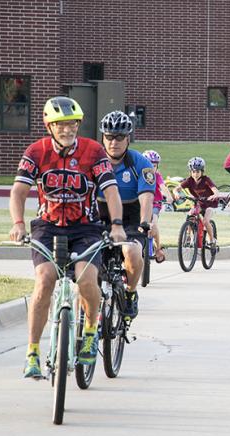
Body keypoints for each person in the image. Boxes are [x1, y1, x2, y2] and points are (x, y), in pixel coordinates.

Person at [10, 97, 126, 379]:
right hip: (47, 226)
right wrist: (18, 223)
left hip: (85, 227)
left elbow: (111, 191)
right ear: (49, 125)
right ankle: (33, 353)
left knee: (86, 279)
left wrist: (117, 225)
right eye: (60, 124)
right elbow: (19, 191)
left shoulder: (93, 151)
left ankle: (89, 333)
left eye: (72, 123)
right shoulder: (36, 152)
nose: (67, 130)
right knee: (44, 280)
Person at [97, 111, 155, 319]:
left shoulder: (140, 163)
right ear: (103, 137)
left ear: (128, 138)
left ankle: (130, 293)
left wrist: (145, 222)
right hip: (100, 216)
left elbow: (147, 197)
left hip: (131, 218)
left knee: (131, 252)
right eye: (109, 137)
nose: (114, 142)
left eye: (119, 137)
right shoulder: (93, 161)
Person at [174, 157, 221, 245]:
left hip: (210, 204)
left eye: (198, 172)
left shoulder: (206, 180)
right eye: (193, 172)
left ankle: (212, 240)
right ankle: (188, 235)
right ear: (190, 172)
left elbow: (216, 191)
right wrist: (176, 193)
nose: (195, 174)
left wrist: (214, 195)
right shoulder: (189, 181)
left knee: (206, 221)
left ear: (202, 172)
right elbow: (176, 189)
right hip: (199, 203)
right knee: (190, 215)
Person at [143, 150, 173, 262]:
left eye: (154, 165)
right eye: (148, 165)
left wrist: (168, 196)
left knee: (154, 223)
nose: (152, 168)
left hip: (155, 203)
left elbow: (163, 187)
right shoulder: (139, 175)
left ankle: (158, 248)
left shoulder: (157, 176)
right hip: (142, 204)